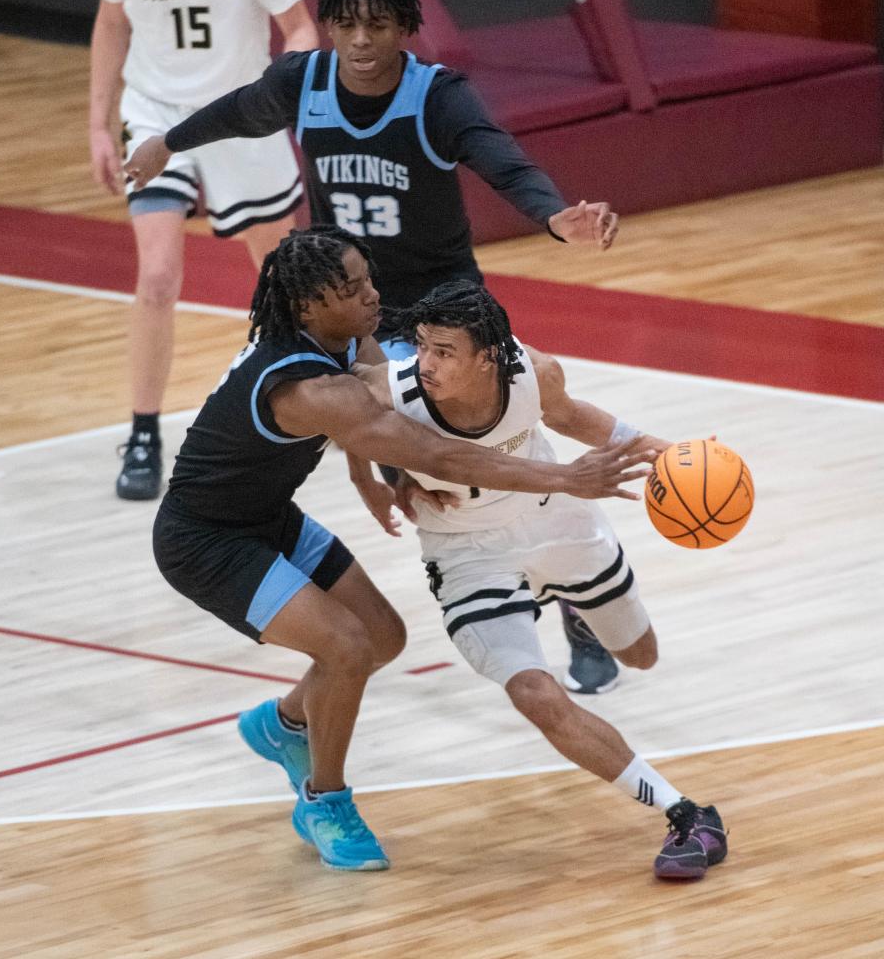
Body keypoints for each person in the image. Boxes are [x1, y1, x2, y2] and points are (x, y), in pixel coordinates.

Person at [123, 0, 620, 689]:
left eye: (378, 24)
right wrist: (168, 142)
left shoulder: (437, 97)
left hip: (446, 308)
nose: (360, 39)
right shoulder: (306, 82)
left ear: (404, 30)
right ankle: (476, 567)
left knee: (501, 436)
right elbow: (241, 110)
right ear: (329, 27)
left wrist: (554, 216)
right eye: (346, 23)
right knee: (424, 471)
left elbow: (501, 161)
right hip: (350, 312)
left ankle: (571, 586)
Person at [152, 225, 653, 872]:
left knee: (383, 636)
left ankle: (283, 725)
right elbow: (433, 449)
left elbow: (383, 409)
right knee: (347, 647)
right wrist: (563, 477)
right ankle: (324, 801)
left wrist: (374, 474)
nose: (372, 296)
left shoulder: (341, 333)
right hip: (204, 539)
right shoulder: (307, 387)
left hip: (267, 516)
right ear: (308, 305)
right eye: (353, 287)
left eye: (369, 279)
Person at [353, 280, 728, 880]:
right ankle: (685, 813)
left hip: (558, 520)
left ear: (488, 357)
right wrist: (381, 474)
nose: (425, 364)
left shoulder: (534, 372)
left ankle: (571, 603)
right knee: (535, 693)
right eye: (421, 346)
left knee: (640, 656)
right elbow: (349, 417)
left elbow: (574, 416)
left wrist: (668, 450)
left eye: (444, 351)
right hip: (466, 551)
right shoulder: (393, 390)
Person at [84, 0, 319, 501]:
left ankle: (309, 406)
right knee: (156, 276)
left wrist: (285, 95)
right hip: (156, 118)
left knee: (283, 283)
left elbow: (301, 28)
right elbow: (111, 27)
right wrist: (98, 122)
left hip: (241, 116)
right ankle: (145, 431)